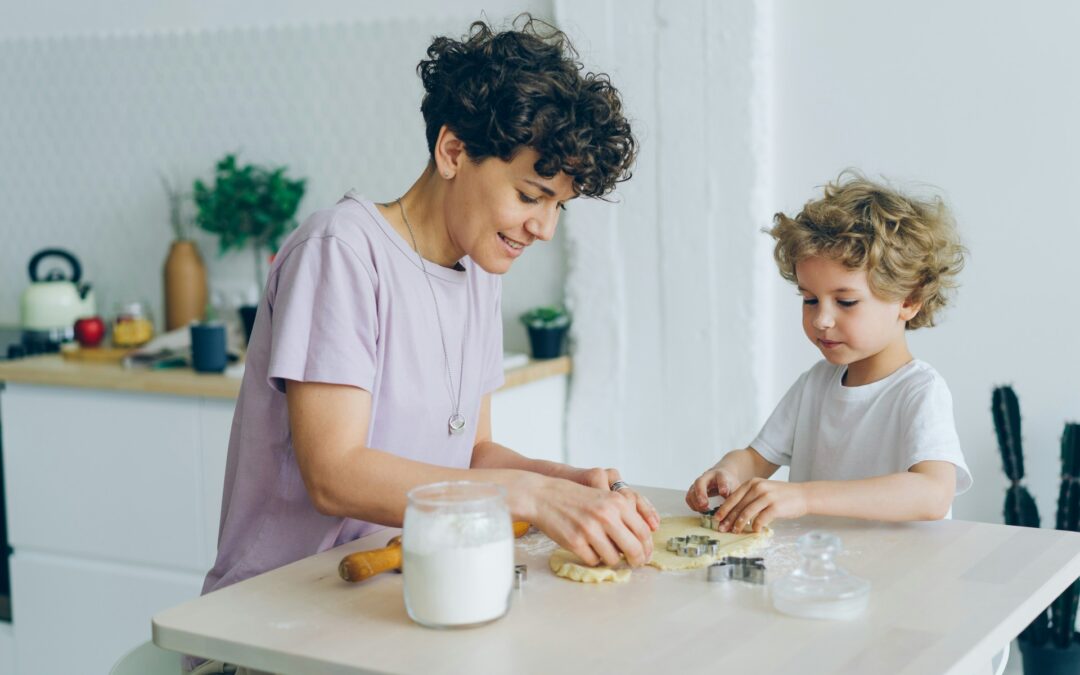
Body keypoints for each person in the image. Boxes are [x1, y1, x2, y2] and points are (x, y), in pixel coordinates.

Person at [685, 172, 972, 533]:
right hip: (827, 574)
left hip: (904, 580)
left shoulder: (919, 390)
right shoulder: (815, 385)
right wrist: (728, 472)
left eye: (846, 301)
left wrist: (804, 497)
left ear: (909, 300)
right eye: (809, 299)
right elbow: (757, 459)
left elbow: (932, 494)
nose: (821, 319)